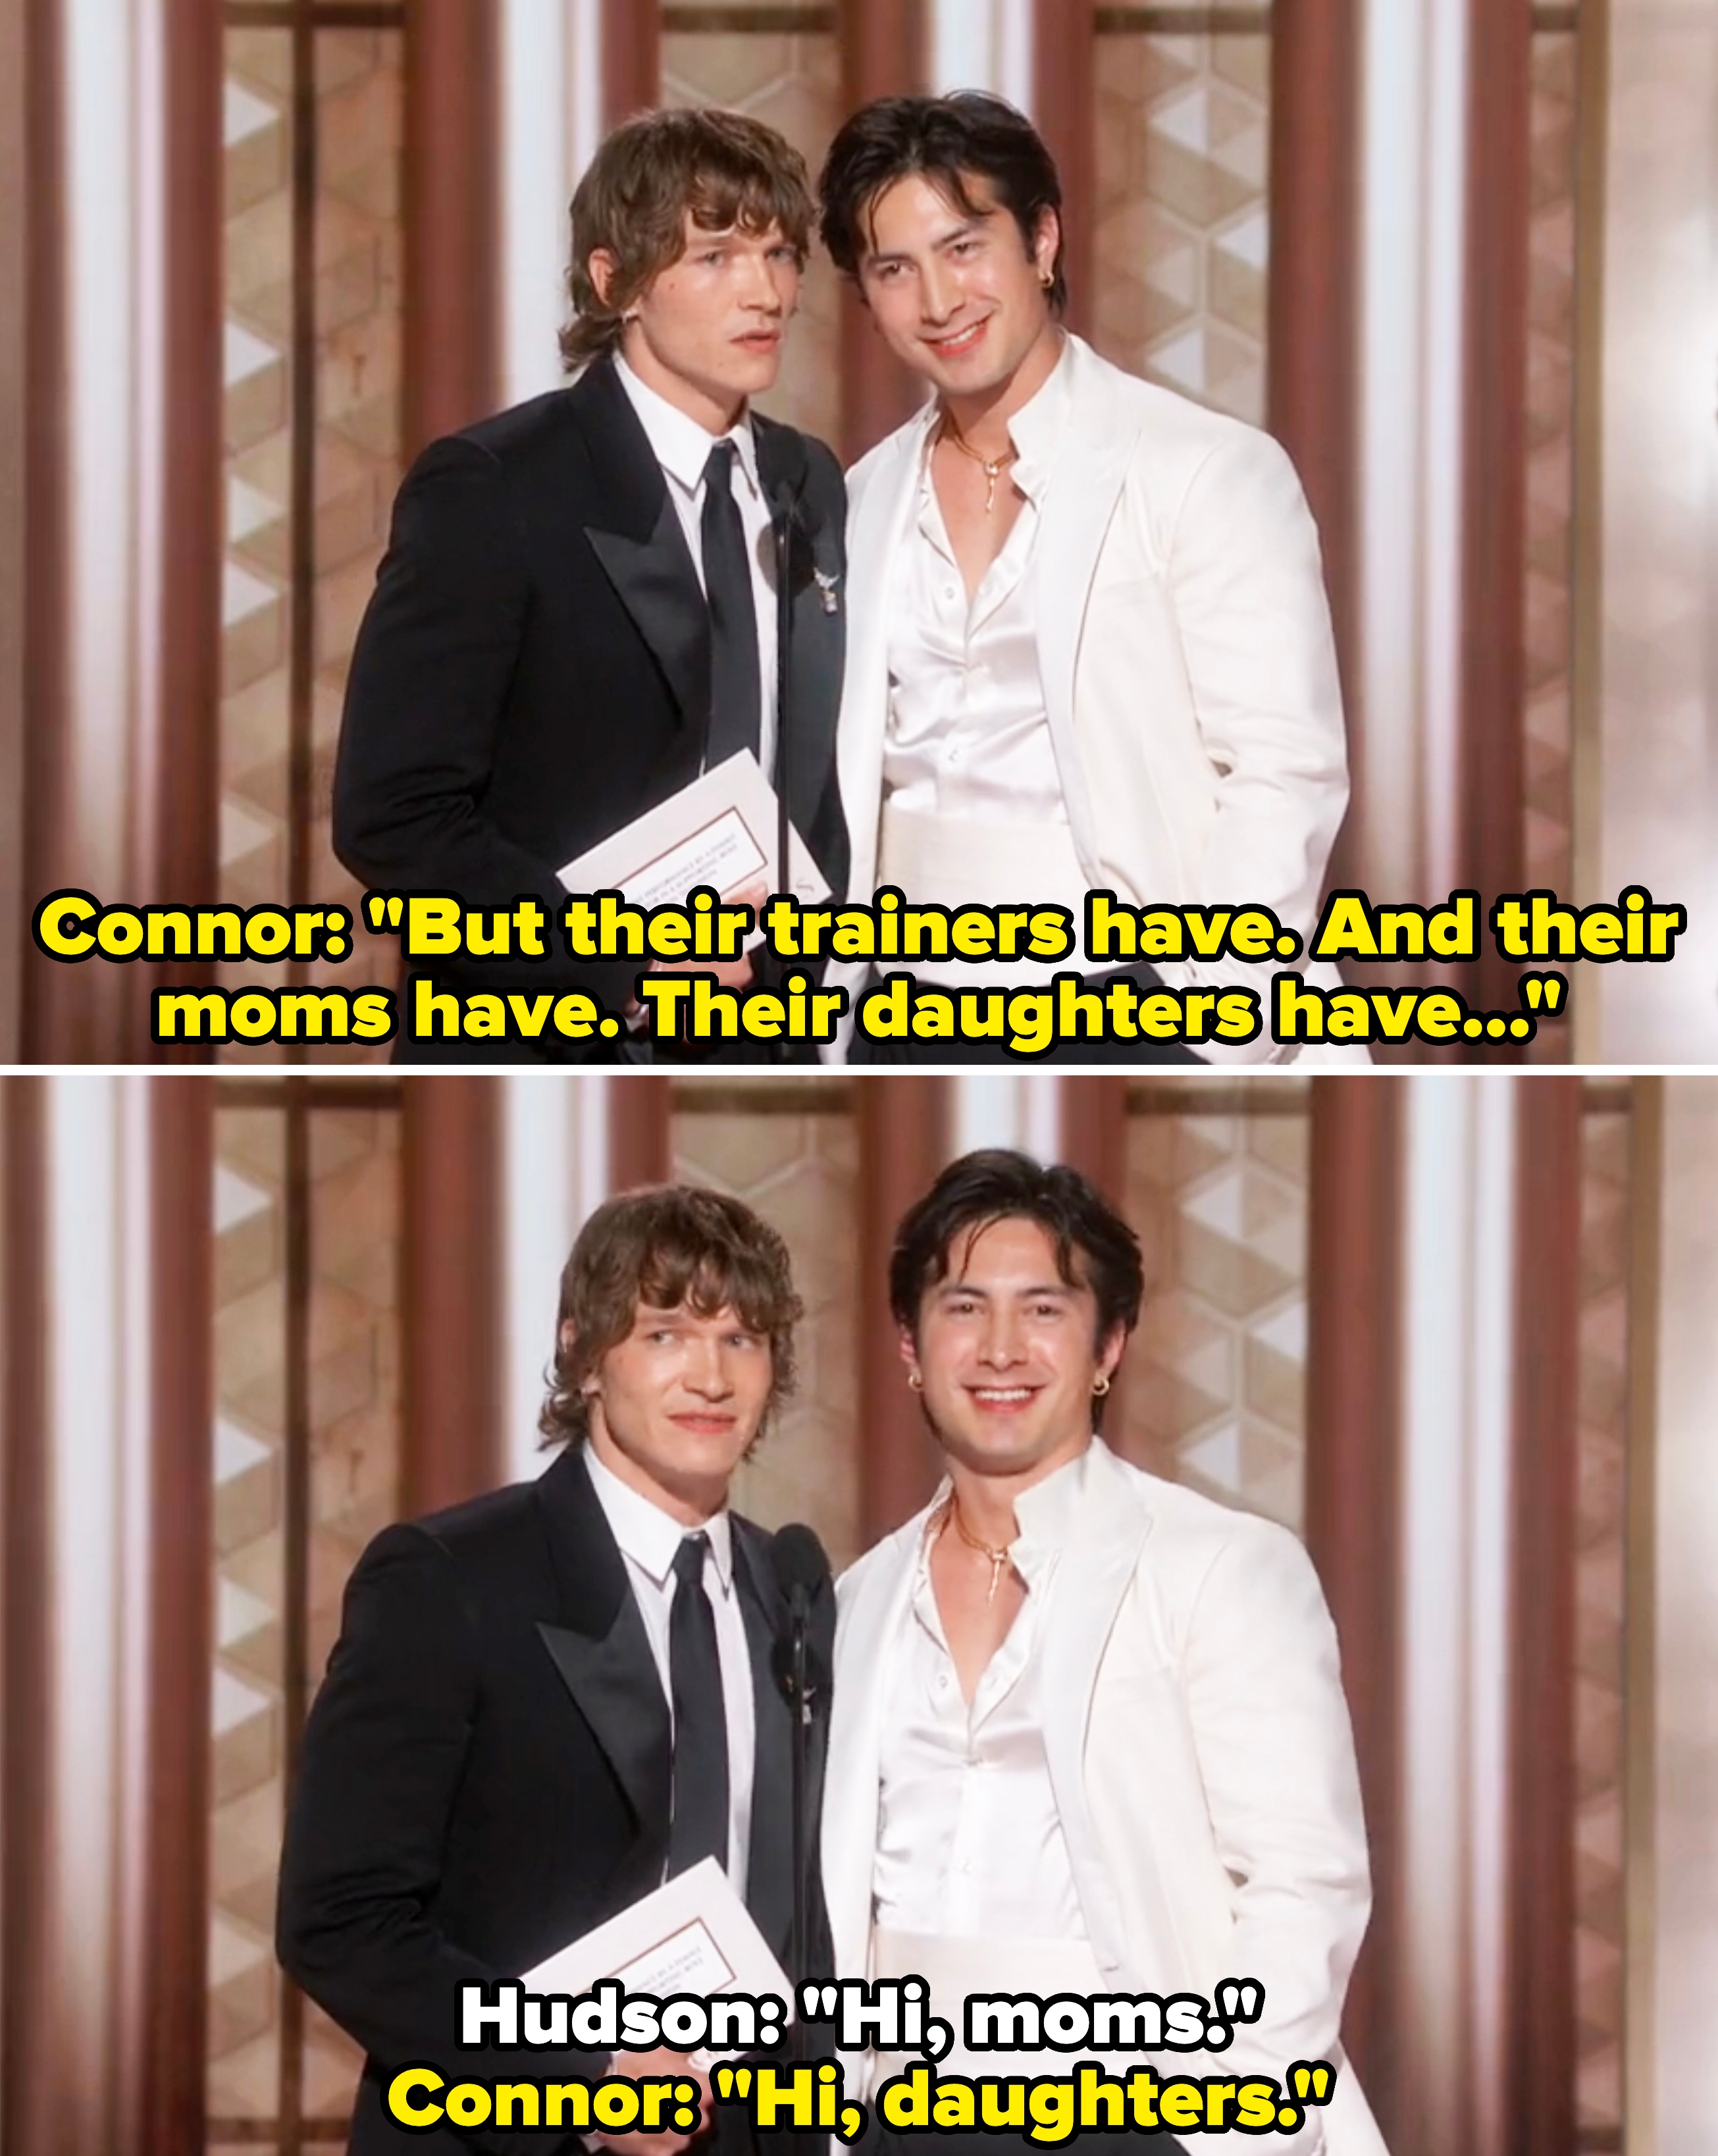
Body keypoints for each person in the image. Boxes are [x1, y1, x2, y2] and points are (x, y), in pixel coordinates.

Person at [821, 1151, 1387, 2154]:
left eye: (1043, 1311)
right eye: (962, 1308)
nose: (1000, 1349)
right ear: (908, 1345)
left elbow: (1304, 1890)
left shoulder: (1221, 1566)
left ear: (1107, 1347)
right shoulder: (854, 1597)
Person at [278, 1185, 834, 2155]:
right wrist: (581, 2083)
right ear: (583, 1353)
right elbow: (339, 1918)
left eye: (741, 1340)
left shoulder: (789, 1586)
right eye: (665, 1334)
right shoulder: (450, 1578)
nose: (709, 1375)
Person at [817, 95, 1351, 1065]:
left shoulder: (1203, 466)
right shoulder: (859, 496)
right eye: (894, 269)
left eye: (965, 247)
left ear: (1042, 241)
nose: (938, 301)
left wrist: (1214, 1013)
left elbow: (1284, 771)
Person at [334, 109, 849, 1063]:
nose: (765, 292)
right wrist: (619, 963)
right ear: (615, 283)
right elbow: (392, 816)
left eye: (779, 255)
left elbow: (808, 780)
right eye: (713, 259)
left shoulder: (808, 480)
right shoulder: (496, 484)